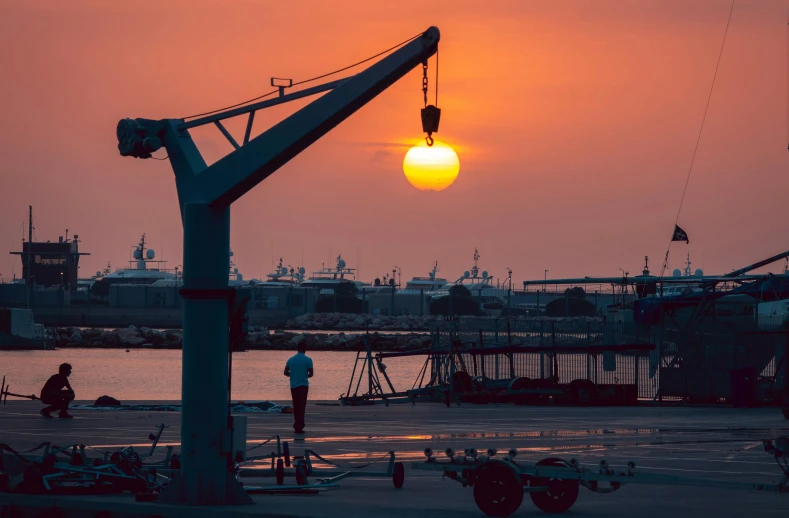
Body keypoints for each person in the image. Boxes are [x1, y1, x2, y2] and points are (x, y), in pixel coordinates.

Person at [284, 342, 313, 434]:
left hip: (294, 386)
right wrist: (303, 375)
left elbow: (285, 372)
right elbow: (311, 374)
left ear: (297, 349)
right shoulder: (308, 360)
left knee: (296, 405)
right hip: (303, 385)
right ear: (305, 349)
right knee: (302, 406)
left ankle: (297, 424)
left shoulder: (291, 360)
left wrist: (293, 375)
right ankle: (300, 424)